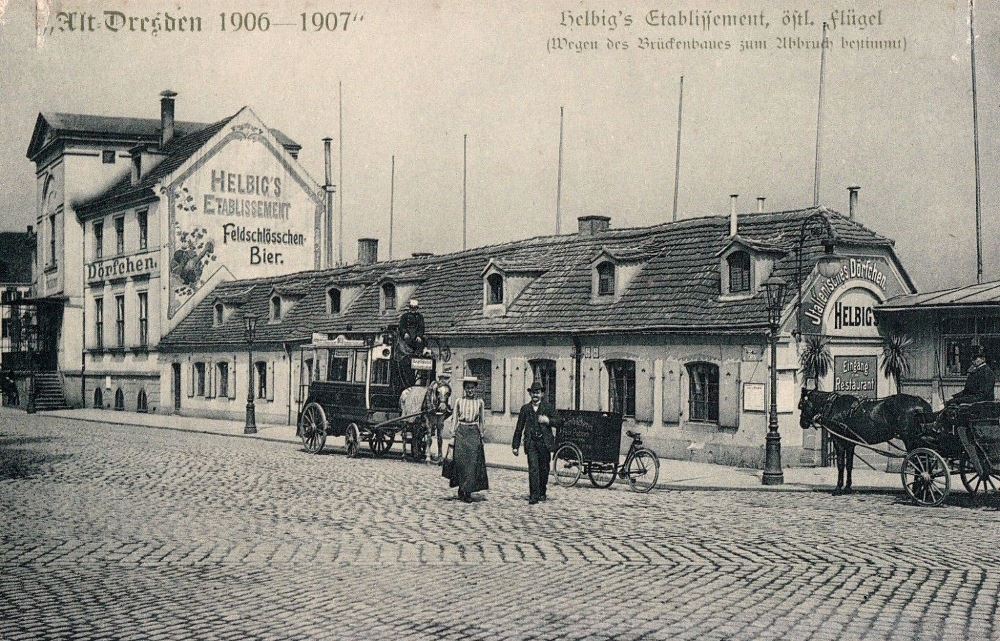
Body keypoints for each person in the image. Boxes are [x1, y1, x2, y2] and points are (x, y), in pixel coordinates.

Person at [512, 381, 561, 504]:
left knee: (544, 469)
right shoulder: (525, 409)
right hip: (531, 443)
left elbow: (560, 421)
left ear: (542, 394)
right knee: (533, 468)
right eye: (533, 392)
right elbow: (519, 427)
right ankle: (534, 495)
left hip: (544, 443)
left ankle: (542, 491)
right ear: (530, 394)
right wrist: (515, 446)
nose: (535, 395)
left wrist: (547, 420)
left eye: (538, 393)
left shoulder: (548, 407)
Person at [949, 347, 996, 474]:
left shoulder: (987, 373)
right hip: (976, 406)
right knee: (950, 405)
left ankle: (944, 435)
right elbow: (967, 391)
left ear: (983, 359)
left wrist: (959, 401)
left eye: (976, 358)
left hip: (980, 408)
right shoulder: (976, 372)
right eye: (973, 358)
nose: (974, 360)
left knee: (952, 413)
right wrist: (954, 398)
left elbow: (981, 395)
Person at [447, 376, 489, 502]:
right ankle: (461, 487)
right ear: (464, 389)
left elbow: (482, 420)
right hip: (461, 432)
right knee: (461, 462)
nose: (470, 390)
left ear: (476, 389)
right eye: (467, 388)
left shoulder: (480, 402)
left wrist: (482, 434)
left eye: (472, 388)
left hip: (473, 433)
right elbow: (454, 418)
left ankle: (468, 491)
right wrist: (452, 435)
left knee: (472, 463)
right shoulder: (459, 401)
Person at [424, 373, 452, 463]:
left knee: (440, 435)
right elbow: (430, 396)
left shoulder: (446, 387)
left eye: (445, 378)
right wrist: (431, 407)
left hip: (441, 410)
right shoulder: (433, 388)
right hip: (431, 410)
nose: (443, 380)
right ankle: (428, 453)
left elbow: (445, 395)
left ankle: (440, 454)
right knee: (429, 433)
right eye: (441, 378)